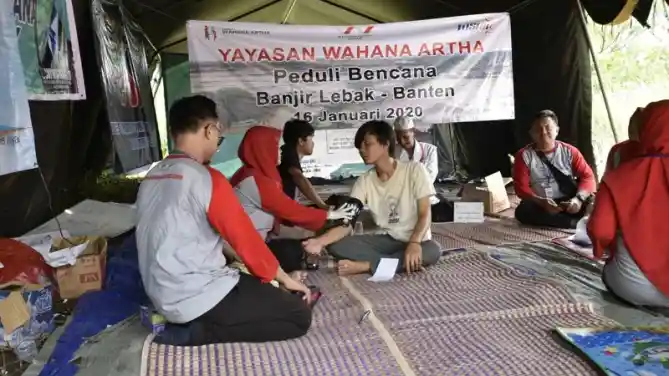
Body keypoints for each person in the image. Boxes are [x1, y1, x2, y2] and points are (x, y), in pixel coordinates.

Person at [135, 95, 312, 346]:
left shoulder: (152, 176)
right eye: (218, 133)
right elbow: (245, 241)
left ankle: (188, 322)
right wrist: (284, 279)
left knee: (261, 285)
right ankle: (196, 333)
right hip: (197, 295)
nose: (218, 141)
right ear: (210, 130)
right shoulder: (207, 178)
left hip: (159, 293)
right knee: (298, 316)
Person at [302, 120, 442, 276]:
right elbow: (347, 223)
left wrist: (415, 243)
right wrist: (319, 242)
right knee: (335, 245)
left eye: (367, 144)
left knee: (433, 250)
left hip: (418, 240)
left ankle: (367, 266)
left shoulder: (414, 170)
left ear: (385, 144)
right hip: (388, 241)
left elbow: (425, 213)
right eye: (359, 146)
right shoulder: (364, 181)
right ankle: (398, 262)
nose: (362, 150)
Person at [230, 125, 356, 272]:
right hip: (244, 247)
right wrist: (329, 213)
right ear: (263, 148)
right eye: (276, 146)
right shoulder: (256, 180)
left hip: (253, 240)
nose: (279, 151)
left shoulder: (253, 174)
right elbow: (289, 209)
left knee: (301, 242)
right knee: (295, 252)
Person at [587, 100, 669, 308]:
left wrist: (604, 249)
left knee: (614, 270)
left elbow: (600, 230)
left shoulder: (619, 176)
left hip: (635, 287)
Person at [513, 110, 596, 229]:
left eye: (548, 128)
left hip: (569, 201)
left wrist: (578, 199)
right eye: (538, 129)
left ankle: (571, 219)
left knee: (594, 200)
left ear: (557, 130)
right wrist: (542, 202)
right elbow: (521, 188)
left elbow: (588, 177)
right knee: (523, 211)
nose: (543, 132)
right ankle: (574, 223)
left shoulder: (570, 151)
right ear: (531, 133)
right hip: (540, 203)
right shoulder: (524, 156)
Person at [278, 119, 330, 209]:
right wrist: (323, 205)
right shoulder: (289, 156)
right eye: (311, 138)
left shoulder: (287, 154)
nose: (313, 143)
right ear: (301, 141)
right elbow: (299, 178)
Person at [604, 107, 644, 174]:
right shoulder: (616, 150)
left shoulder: (652, 152)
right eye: (631, 121)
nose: (631, 126)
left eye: (635, 123)